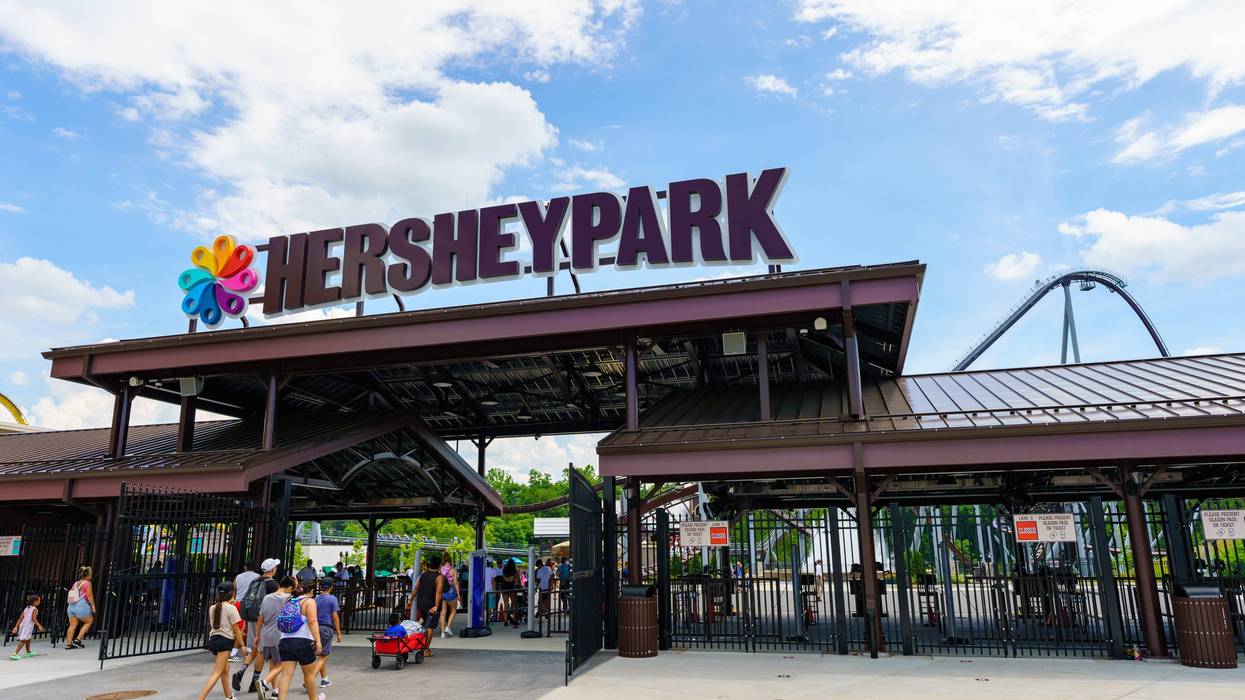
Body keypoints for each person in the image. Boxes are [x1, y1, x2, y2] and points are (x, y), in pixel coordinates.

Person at [269, 581, 322, 700]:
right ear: (312, 591)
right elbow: (312, 621)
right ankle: (313, 698)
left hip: (285, 641)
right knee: (309, 674)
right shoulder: (309, 602)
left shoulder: (288, 601)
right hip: (303, 641)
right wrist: (318, 641)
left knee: (286, 674)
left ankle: (281, 699)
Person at [243, 575, 294, 700]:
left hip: (265, 635)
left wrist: (257, 635)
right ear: (290, 587)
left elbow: (260, 618)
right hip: (279, 635)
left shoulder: (267, 597)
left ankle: (275, 691)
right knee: (284, 664)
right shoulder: (288, 598)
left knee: (273, 662)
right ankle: (264, 682)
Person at [233, 558, 280, 687]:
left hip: (252, 618)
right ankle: (255, 681)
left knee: (255, 646)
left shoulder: (256, 580)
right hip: (265, 620)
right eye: (275, 567)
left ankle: (242, 671)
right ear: (272, 569)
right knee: (261, 650)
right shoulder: (272, 584)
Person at [196, 581, 243, 700]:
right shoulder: (231, 608)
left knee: (225, 669)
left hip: (214, 641)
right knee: (217, 672)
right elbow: (236, 629)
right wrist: (242, 645)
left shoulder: (213, 607)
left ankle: (229, 696)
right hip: (225, 642)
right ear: (232, 593)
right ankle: (200, 698)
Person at [407, 558, 444, 657]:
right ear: (439, 565)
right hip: (431, 605)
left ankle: (421, 645)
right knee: (430, 627)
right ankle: (425, 649)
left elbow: (416, 588)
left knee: (425, 624)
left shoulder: (423, 575)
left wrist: (410, 600)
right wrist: (436, 605)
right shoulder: (439, 577)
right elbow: (439, 591)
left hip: (421, 604)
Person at [313, 578, 342, 689]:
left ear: (320, 587)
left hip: (315, 628)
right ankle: (310, 678)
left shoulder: (316, 599)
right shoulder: (332, 599)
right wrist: (338, 632)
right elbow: (335, 617)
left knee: (321, 655)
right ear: (332, 587)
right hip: (326, 628)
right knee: (324, 655)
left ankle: (324, 679)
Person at [232, 561, 260, 661]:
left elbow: (234, 588)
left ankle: (244, 649)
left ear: (245, 567)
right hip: (250, 604)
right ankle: (238, 651)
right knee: (245, 628)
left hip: (237, 603)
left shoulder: (238, 577)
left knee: (238, 627)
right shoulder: (258, 577)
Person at [63, 565, 96, 649]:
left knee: (72, 625)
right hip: (81, 605)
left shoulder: (75, 583)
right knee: (89, 621)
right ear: (88, 575)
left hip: (71, 606)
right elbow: (89, 595)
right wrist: (93, 606)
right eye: (91, 574)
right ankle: (78, 640)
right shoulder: (88, 583)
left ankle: (69, 644)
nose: (91, 575)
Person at [9, 594, 43, 660]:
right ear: (35, 601)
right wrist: (39, 625)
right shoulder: (35, 609)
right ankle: (15, 654)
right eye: (39, 600)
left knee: (28, 638)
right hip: (28, 626)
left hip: (23, 625)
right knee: (23, 640)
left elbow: (20, 618)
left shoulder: (27, 608)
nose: (40, 602)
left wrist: (16, 627)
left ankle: (28, 652)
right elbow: (33, 618)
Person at [437, 554, 460, 638]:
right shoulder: (453, 570)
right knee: (454, 610)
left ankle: (442, 633)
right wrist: (458, 594)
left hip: (441, 592)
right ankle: (448, 627)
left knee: (442, 613)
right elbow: (456, 583)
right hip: (450, 592)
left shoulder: (440, 569)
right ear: (450, 560)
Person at [500, 559, 519, 627]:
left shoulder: (504, 570)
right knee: (514, 604)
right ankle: (514, 619)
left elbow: (504, 579)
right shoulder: (515, 571)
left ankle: (505, 621)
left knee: (506, 604)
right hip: (511, 588)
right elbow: (518, 580)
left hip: (504, 588)